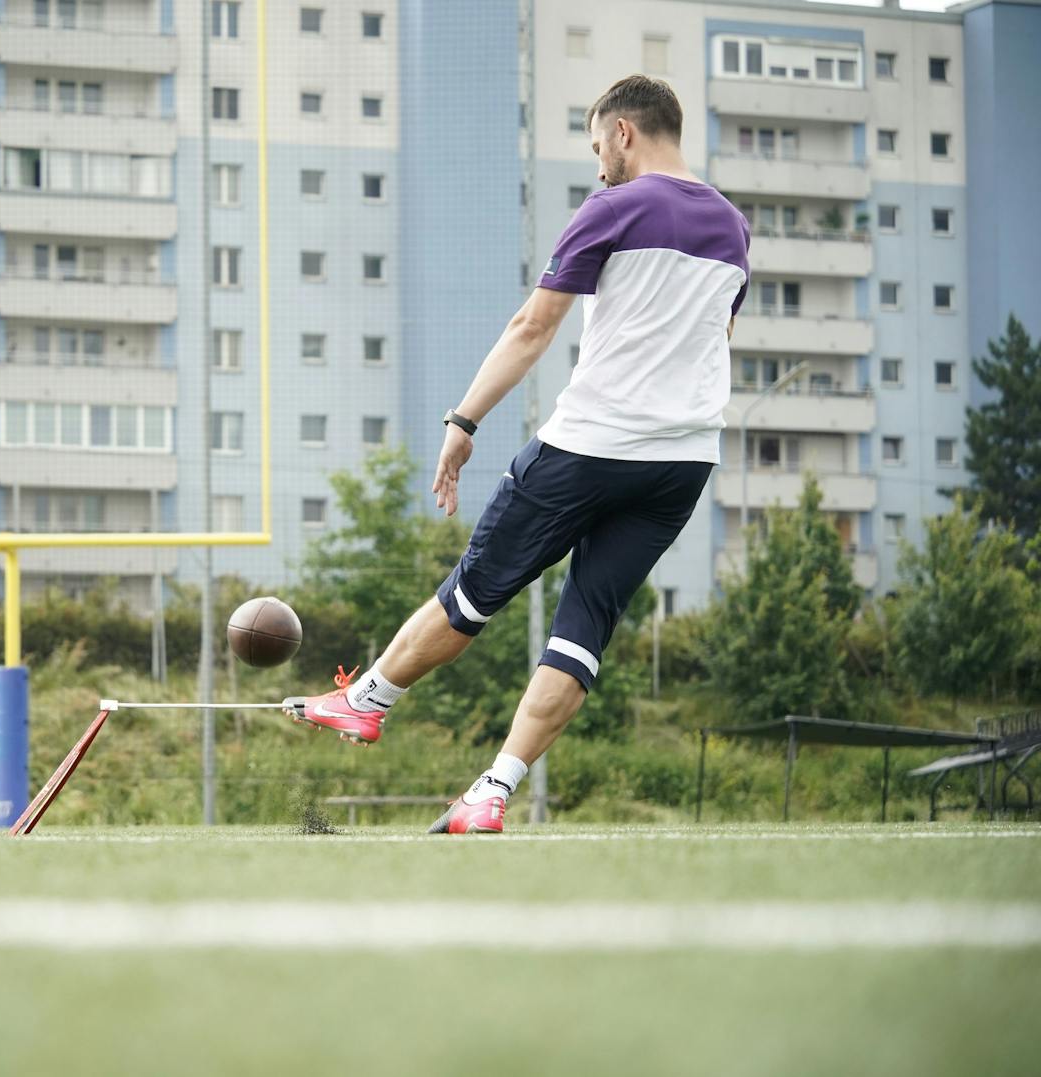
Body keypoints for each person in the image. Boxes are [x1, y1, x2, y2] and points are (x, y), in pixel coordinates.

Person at [284, 75, 749, 833]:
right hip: (683, 461)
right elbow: (714, 342)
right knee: (585, 625)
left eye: (599, 144)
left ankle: (366, 701)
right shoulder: (734, 227)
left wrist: (464, 419)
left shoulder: (614, 205)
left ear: (625, 132)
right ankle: (492, 792)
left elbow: (533, 326)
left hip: (592, 443)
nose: (599, 164)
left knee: (475, 590)